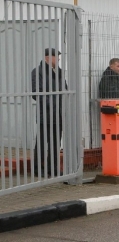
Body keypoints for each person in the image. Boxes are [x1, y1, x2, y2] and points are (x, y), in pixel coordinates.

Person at [31, 48, 67, 177]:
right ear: (47, 58)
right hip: (45, 114)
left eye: (58, 56)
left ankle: (53, 168)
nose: (58, 59)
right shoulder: (38, 72)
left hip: (59, 114)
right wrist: (53, 103)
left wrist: (62, 105)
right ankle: (37, 168)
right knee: (42, 142)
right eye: (55, 56)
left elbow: (65, 90)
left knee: (55, 143)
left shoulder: (60, 72)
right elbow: (36, 93)